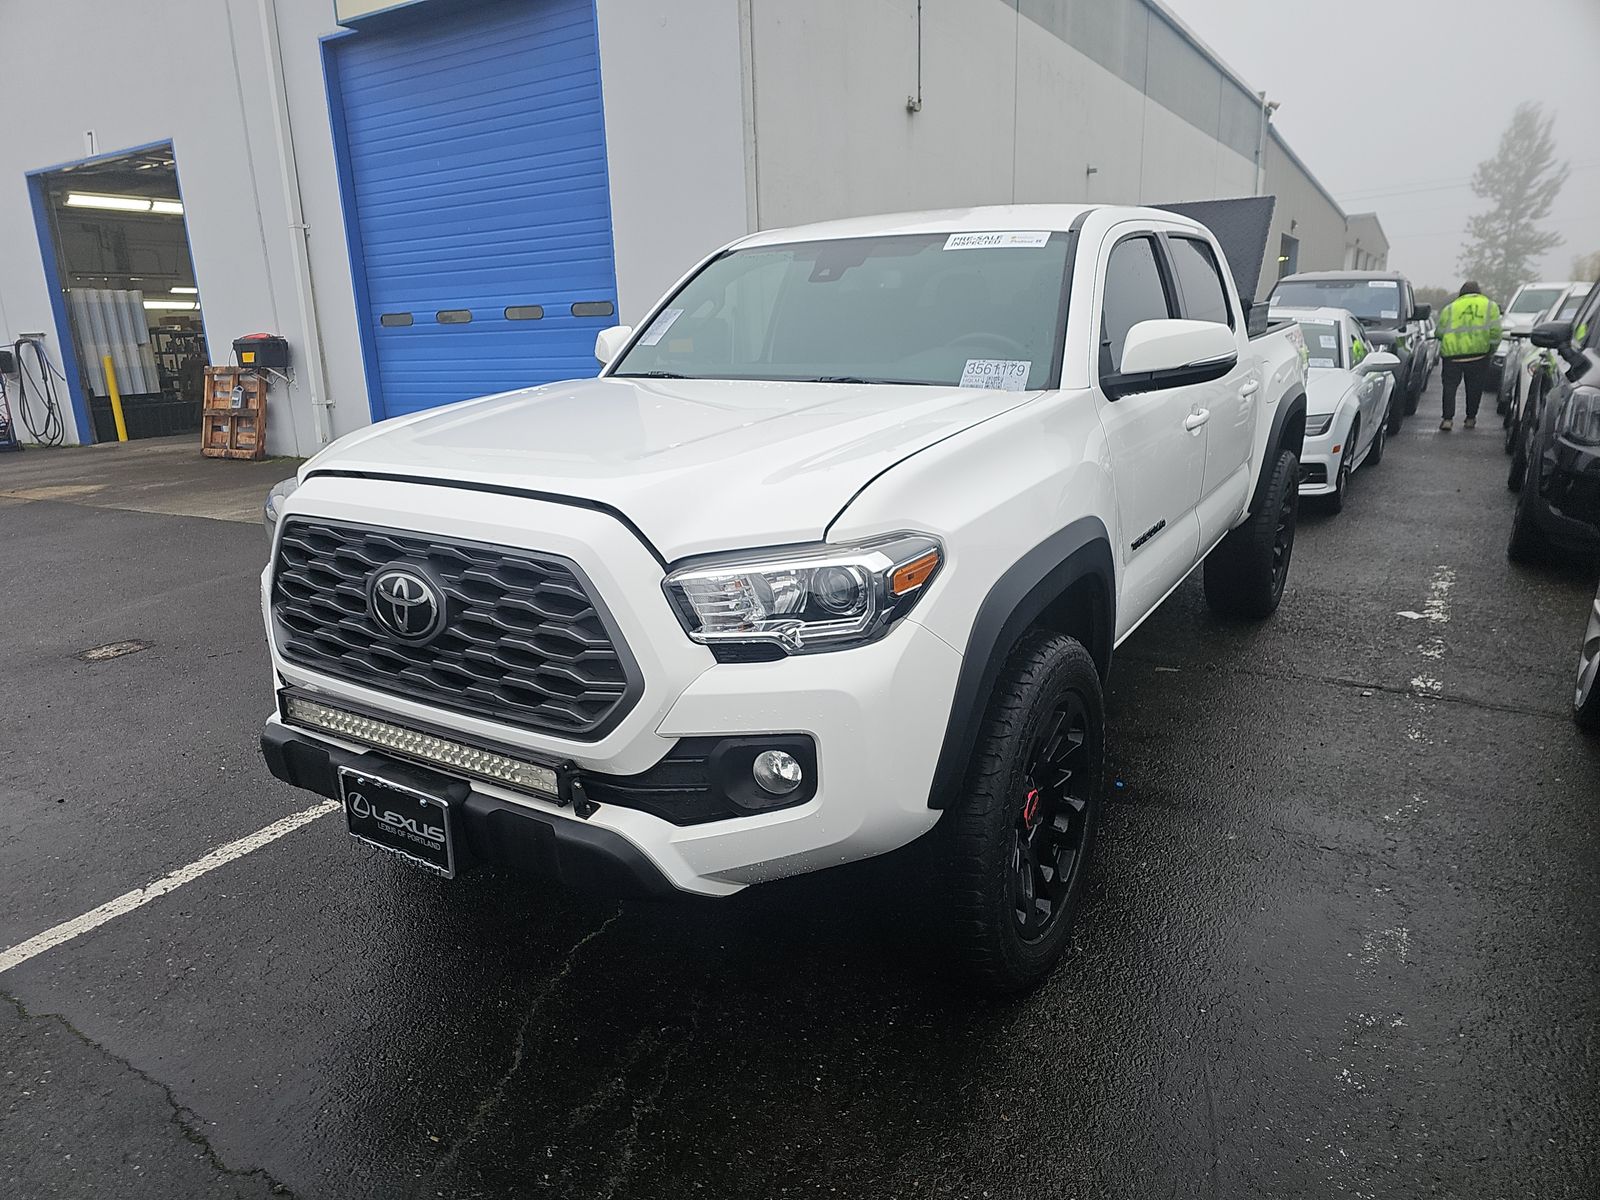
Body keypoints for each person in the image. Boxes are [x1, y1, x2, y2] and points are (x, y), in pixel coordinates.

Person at [1433, 281, 1503, 431]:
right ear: (1479, 292)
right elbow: (1496, 333)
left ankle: (1447, 419)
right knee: (1474, 388)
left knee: (1449, 387)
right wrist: (1491, 349)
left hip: (1452, 356)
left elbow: (1438, 333)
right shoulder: (1490, 306)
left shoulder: (1450, 308)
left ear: (1461, 293)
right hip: (1479, 355)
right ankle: (1470, 418)